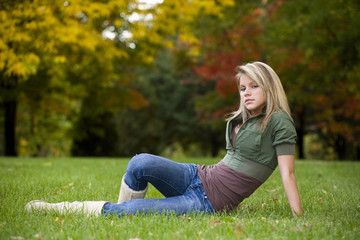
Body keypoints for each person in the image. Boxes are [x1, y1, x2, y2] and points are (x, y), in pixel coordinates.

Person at [26, 61, 303, 217]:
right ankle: (127, 209)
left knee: (123, 213)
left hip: (210, 202)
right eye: (243, 88)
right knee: (140, 162)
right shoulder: (245, 118)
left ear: (270, 86)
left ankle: (56, 209)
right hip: (199, 176)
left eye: (254, 86)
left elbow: (287, 173)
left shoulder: (278, 120)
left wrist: (297, 216)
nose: (246, 92)